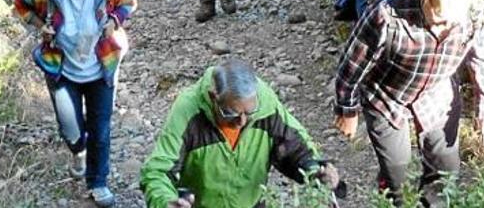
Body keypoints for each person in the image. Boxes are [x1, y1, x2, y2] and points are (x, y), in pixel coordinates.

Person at [333, 0, 484, 207]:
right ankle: (390, 193)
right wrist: (346, 109)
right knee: (398, 179)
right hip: (386, 95)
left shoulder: (472, 15)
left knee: (445, 174)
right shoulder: (386, 13)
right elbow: (351, 64)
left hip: (437, 93)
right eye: (439, 19)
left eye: (450, 24)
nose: (443, 29)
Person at [12, 0, 137, 207]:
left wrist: (115, 21)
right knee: (71, 129)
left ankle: (98, 182)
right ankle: (77, 150)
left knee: (100, 129)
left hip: (101, 67)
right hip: (61, 69)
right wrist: (37, 24)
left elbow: (130, 0)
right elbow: (18, 0)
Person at [140, 58, 340, 208]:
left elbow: (297, 150)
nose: (242, 121)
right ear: (213, 96)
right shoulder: (188, 111)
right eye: (231, 113)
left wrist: (318, 172)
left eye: (249, 112)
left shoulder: (266, 105)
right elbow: (158, 172)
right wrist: (166, 202)